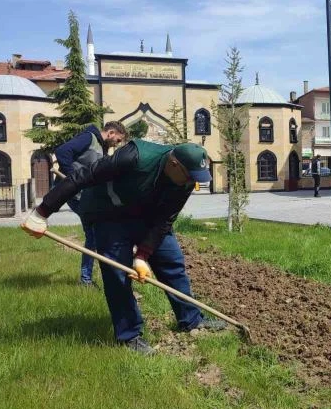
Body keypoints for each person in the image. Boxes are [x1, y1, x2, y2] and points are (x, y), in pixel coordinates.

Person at [21, 140, 226, 355]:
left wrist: (143, 255)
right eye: (190, 176)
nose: (192, 182)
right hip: (109, 214)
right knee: (116, 272)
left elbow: (166, 218)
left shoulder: (185, 181)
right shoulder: (134, 156)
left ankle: (191, 320)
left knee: (172, 261)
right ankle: (129, 336)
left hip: (148, 216)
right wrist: (42, 212)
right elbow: (82, 177)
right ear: (174, 164)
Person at [55, 121, 127, 286]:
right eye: (117, 140)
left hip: (86, 196)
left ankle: (91, 277)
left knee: (97, 233)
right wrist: (74, 179)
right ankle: (87, 279)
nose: (116, 144)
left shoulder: (101, 148)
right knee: (94, 234)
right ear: (110, 133)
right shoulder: (89, 138)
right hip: (76, 195)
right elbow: (62, 152)